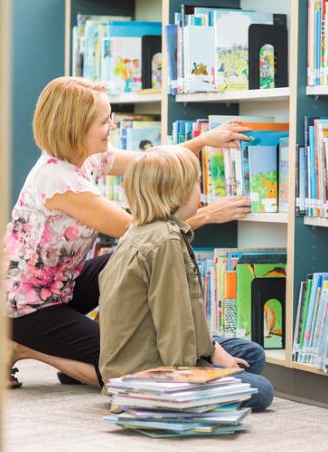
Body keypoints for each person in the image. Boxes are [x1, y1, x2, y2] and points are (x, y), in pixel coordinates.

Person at [5, 77, 252, 388]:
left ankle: (80, 345)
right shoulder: (58, 181)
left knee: (120, 261)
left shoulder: (88, 158)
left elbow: (151, 164)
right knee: (119, 368)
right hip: (26, 307)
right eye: (103, 120)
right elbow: (141, 234)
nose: (112, 126)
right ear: (74, 128)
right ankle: (23, 347)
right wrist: (208, 215)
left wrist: (203, 141)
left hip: (62, 285)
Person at [97, 145, 273, 412]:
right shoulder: (165, 241)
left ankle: (196, 374)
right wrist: (193, 375)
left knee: (252, 354)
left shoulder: (142, 230)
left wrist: (213, 349)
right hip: (147, 371)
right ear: (176, 193)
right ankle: (153, 398)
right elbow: (174, 322)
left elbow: (183, 313)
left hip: (135, 353)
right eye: (197, 183)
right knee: (262, 391)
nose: (200, 192)